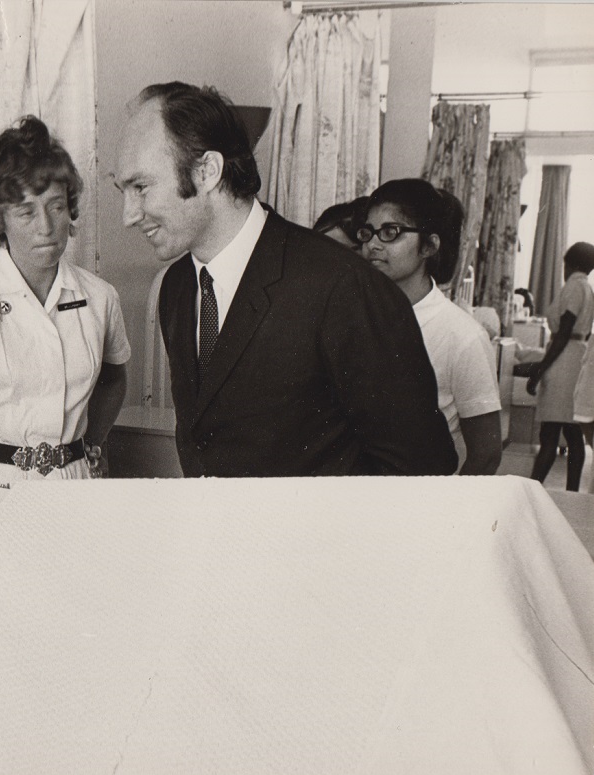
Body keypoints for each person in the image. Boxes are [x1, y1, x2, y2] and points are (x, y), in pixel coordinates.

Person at [113, 81, 456, 477]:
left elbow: (421, 468)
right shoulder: (178, 287)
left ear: (207, 171)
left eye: (140, 187)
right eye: (122, 189)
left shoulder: (341, 288)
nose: (128, 215)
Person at [0, 116, 130, 593]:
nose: (47, 227)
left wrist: (88, 443)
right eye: (26, 211)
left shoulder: (100, 297)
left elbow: (115, 376)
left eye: (57, 206)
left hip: (74, 490)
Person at [359, 179, 502, 475]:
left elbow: (486, 455)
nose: (372, 245)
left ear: (429, 246)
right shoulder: (352, 315)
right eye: (368, 233)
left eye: (390, 233)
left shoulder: (462, 335)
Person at [526, 241, 594, 491]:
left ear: (570, 264)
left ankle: (532, 492)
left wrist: (540, 369)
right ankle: (572, 492)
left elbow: (564, 331)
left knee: (550, 433)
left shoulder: (574, 287)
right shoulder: (586, 288)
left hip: (564, 360)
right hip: (576, 358)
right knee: (571, 431)